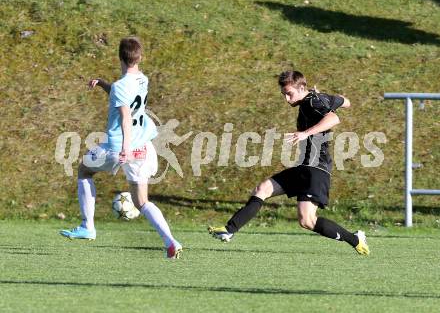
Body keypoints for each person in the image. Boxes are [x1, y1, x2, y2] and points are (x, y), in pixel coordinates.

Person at [208, 70, 369, 256]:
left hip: (316, 168)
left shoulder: (312, 101)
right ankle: (229, 229)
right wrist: (326, 98)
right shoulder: (315, 99)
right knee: (262, 189)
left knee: (307, 220)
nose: (286, 98)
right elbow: (345, 102)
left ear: (302, 88)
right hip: (304, 166)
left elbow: (334, 118)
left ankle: (355, 239)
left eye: (289, 93)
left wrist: (306, 132)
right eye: (284, 94)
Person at [60, 37, 182, 259]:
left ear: (119, 57)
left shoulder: (120, 86)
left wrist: (124, 148)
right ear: (140, 57)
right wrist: (104, 84)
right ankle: (171, 242)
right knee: (142, 202)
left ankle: (88, 226)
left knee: (84, 170)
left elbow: (125, 116)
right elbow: (124, 98)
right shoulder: (143, 80)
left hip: (119, 147)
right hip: (143, 147)